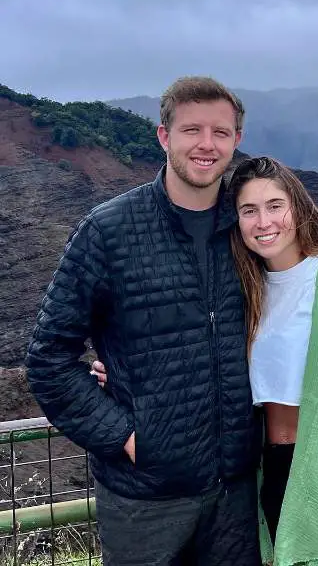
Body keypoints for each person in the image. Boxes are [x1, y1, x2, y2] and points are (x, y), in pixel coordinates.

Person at [93, 156, 318, 566]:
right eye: (249, 211)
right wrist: (127, 372)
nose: (263, 222)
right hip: (263, 472)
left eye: (274, 206)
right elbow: (201, 358)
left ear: (298, 208)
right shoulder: (246, 287)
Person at [26, 76, 261, 566]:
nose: (206, 144)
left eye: (220, 132)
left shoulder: (251, 228)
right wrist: (128, 438)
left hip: (236, 494)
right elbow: (49, 359)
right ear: (163, 136)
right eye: (191, 130)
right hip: (145, 501)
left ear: (236, 140)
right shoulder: (109, 231)